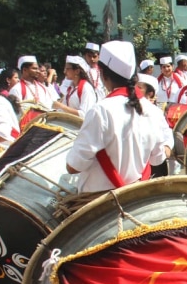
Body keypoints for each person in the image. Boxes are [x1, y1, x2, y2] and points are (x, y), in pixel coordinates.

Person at [65, 40, 172, 193]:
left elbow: (73, 167)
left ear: (102, 73)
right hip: (137, 197)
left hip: (100, 204)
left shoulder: (101, 110)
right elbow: (157, 159)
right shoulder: (154, 111)